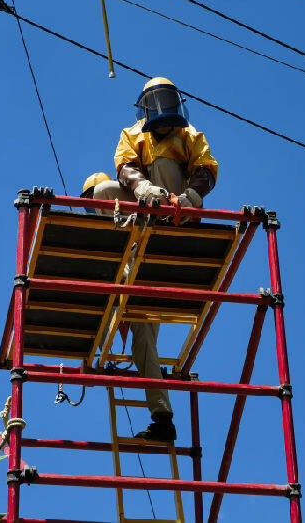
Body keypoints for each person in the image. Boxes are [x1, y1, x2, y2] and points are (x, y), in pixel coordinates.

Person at [93, 77, 218, 441]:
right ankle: (162, 419)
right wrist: (142, 188)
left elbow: (207, 168)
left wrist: (193, 194)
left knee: (163, 165)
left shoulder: (190, 135)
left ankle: (159, 221)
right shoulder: (133, 133)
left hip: (178, 212)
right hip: (145, 218)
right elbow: (125, 166)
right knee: (142, 339)